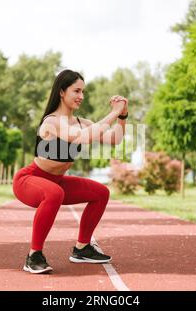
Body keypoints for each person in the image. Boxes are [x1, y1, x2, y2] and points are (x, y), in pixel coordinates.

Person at [12, 69, 129, 274]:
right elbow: (82, 138)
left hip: (56, 181)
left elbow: (114, 139)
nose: (81, 96)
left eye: (83, 91)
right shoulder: (52, 122)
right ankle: (34, 256)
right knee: (54, 193)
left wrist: (123, 116)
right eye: (76, 91)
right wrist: (113, 112)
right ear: (61, 92)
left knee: (101, 193)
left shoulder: (82, 122)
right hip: (29, 180)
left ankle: (82, 248)